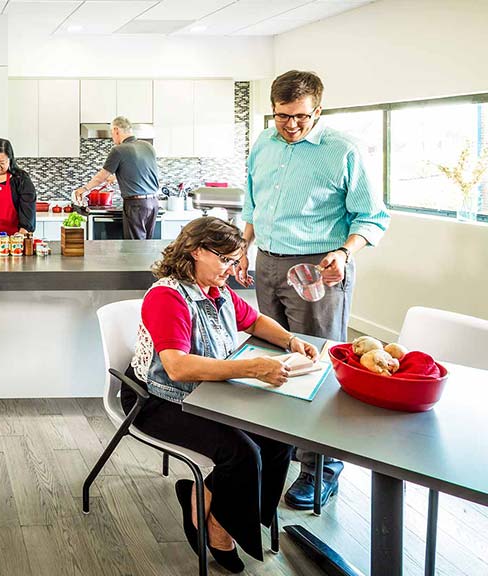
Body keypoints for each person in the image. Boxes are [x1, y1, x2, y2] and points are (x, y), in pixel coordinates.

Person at [123, 217, 318, 573]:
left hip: (207, 393)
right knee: (241, 452)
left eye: (234, 260)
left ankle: (209, 502)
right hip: (156, 399)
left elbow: (256, 322)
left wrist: (291, 340)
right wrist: (252, 368)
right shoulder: (168, 296)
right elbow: (177, 368)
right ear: (196, 251)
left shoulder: (219, 291)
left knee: (277, 440)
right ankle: (218, 527)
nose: (231, 269)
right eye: (225, 260)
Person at [238, 70, 390, 511]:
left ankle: (320, 471)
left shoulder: (342, 149)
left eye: (301, 117)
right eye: (282, 116)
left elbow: (371, 216)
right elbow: (253, 203)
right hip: (266, 262)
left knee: (318, 363)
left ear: (317, 111)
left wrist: (345, 253)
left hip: (317, 268)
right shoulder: (263, 144)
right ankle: (277, 453)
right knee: (273, 358)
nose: (291, 125)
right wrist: (243, 248)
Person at [74, 116, 160, 239]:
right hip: (153, 203)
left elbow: (101, 177)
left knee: (134, 248)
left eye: (112, 133)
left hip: (135, 205)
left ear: (116, 130)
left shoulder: (118, 150)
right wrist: (115, 178)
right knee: (146, 246)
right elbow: (144, 171)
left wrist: (84, 189)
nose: (112, 137)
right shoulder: (148, 146)